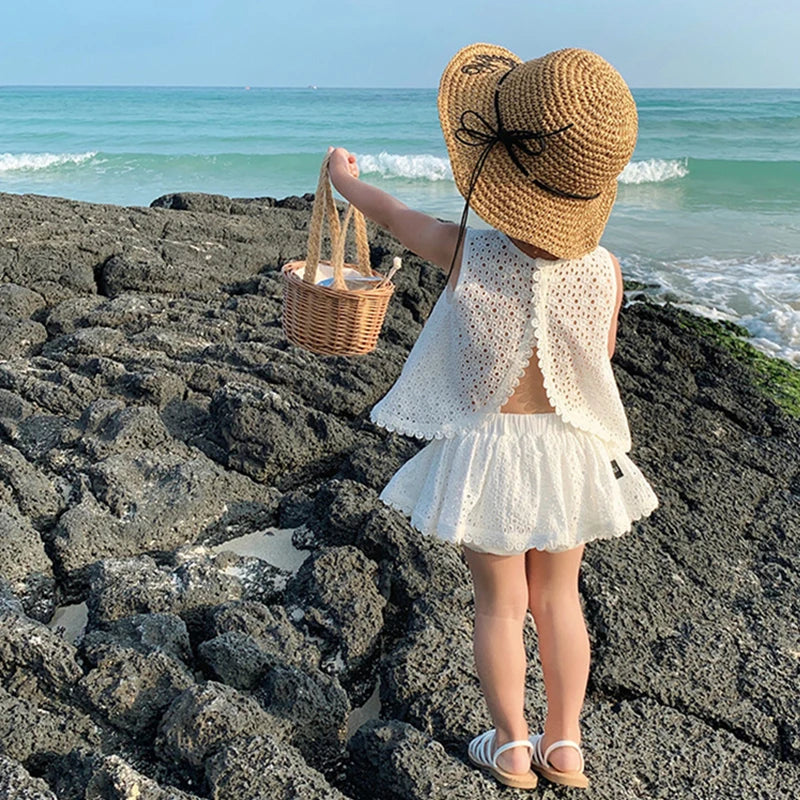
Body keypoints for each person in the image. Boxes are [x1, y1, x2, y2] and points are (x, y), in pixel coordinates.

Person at [328, 43, 659, 791]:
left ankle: (512, 748)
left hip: (488, 451)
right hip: (568, 450)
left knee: (500, 606)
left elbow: (393, 213)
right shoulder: (603, 270)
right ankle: (565, 745)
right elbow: (596, 359)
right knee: (558, 600)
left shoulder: (464, 250)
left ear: (507, 182)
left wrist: (344, 178)